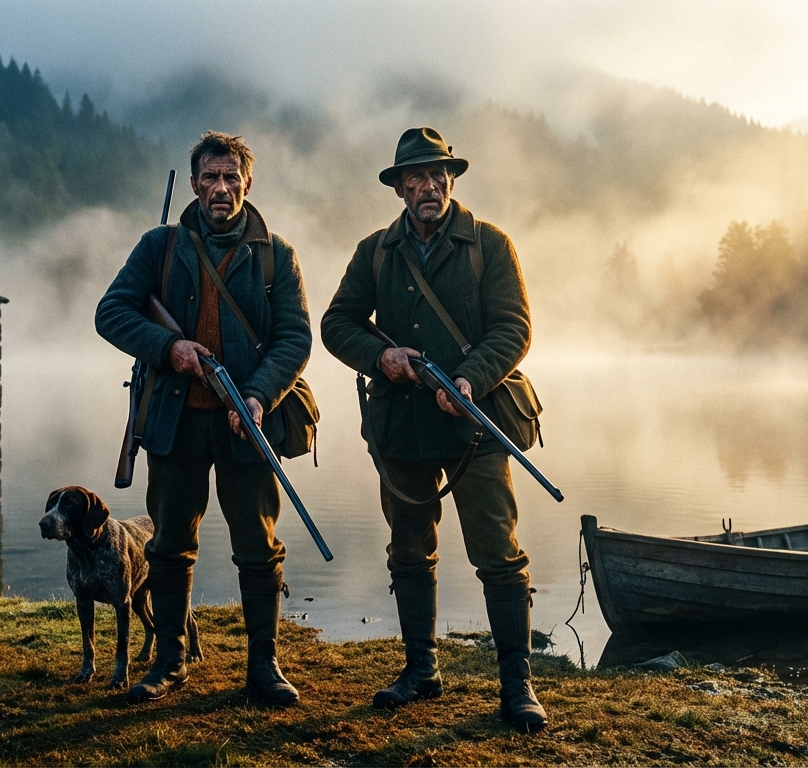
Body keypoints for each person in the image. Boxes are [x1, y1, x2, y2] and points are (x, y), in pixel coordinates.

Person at [320, 127, 547, 732]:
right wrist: (382, 359)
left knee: (498, 555)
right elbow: (337, 323)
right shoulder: (375, 251)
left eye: (438, 174)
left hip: (475, 425)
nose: (428, 186)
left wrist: (469, 379)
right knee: (408, 551)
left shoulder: (490, 244)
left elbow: (514, 329)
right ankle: (421, 670)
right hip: (401, 429)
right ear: (397, 188)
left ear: (452, 178)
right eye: (415, 177)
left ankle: (516, 686)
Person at [96, 131, 312, 706]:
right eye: (210, 178)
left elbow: (294, 339)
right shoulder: (159, 246)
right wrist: (170, 349)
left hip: (249, 421)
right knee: (168, 545)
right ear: (194, 184)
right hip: (175, 420)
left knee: (260, 548)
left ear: (247, 182)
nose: (220, 188)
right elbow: (110, 313)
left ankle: (263, 668)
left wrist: (260, 397)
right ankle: (169, 662)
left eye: (230, 177)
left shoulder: (277, 254)